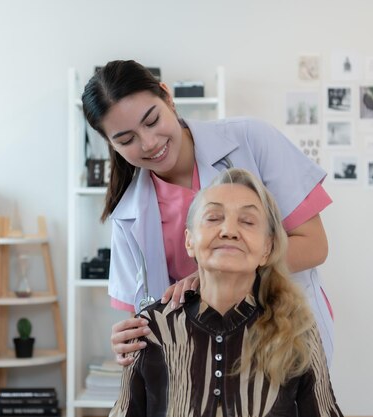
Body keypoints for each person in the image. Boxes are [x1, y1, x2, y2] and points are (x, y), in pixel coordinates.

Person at [81, 59, 336, 366]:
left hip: (282, 337)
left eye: (151, 121)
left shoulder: (251, 140)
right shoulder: (127, 215)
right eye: (126, 140)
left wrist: (211, 276)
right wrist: (125, 341)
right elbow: (142, 315)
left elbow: (314, 244)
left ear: (167, 96)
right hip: (198, 360)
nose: (148, 143)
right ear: (111, 144)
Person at [108, 168, 343, 416]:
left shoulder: (297, 328)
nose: (229, 231)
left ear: (267, 248)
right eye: (213, 218)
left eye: (248, 221)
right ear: (190, 241)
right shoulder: (151, 328)